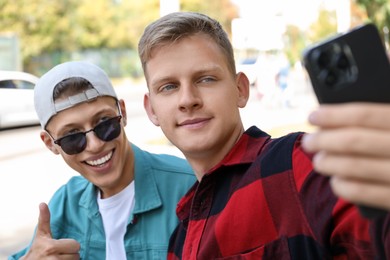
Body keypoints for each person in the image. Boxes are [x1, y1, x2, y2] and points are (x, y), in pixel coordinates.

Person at [138, 11, 390, 259]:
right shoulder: (178, 241)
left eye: (205, 79)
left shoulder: (296, 164)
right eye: (168, 87)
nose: (187, 100)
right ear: (152, 110)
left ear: (241, 90)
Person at [10, 61, 195, 259]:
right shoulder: (65, 203)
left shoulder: (189, 187)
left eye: (104, 123)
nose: (95, 145)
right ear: (50, 143)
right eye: (72, 137)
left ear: (122, 113)